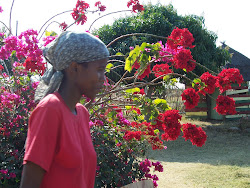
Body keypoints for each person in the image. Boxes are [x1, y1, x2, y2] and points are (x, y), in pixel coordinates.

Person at [20, 31, 109, 188]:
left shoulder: (82, 113)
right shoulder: (50, 109)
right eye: (100, 69)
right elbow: (29, 183)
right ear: (74, 68)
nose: (103, 78)